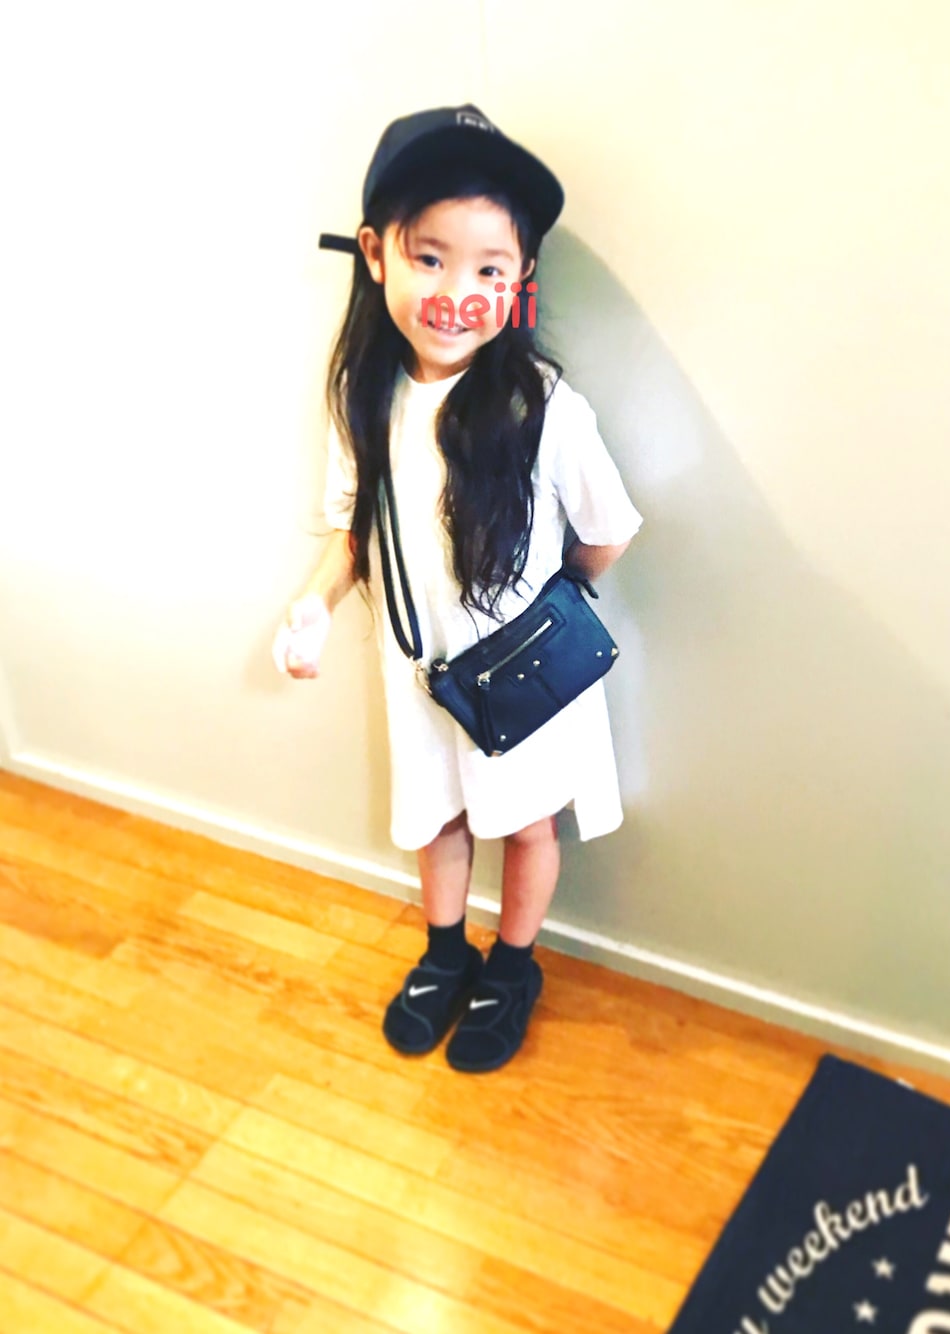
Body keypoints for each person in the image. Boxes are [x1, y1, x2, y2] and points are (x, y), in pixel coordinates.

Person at [273, 104, 642, 1074]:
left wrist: (548, 609)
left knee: (526, 819)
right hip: (419, 671)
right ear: (375, 253)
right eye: (429, 257)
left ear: (519, 282)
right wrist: (313, 605)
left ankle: (512, 966)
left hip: (523, 673)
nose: (456, 293)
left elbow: (609, 530)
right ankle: (446, 952)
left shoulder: (542, 406)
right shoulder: (365, 396)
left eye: (489, 270)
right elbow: (354, 530)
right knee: (435, 810)